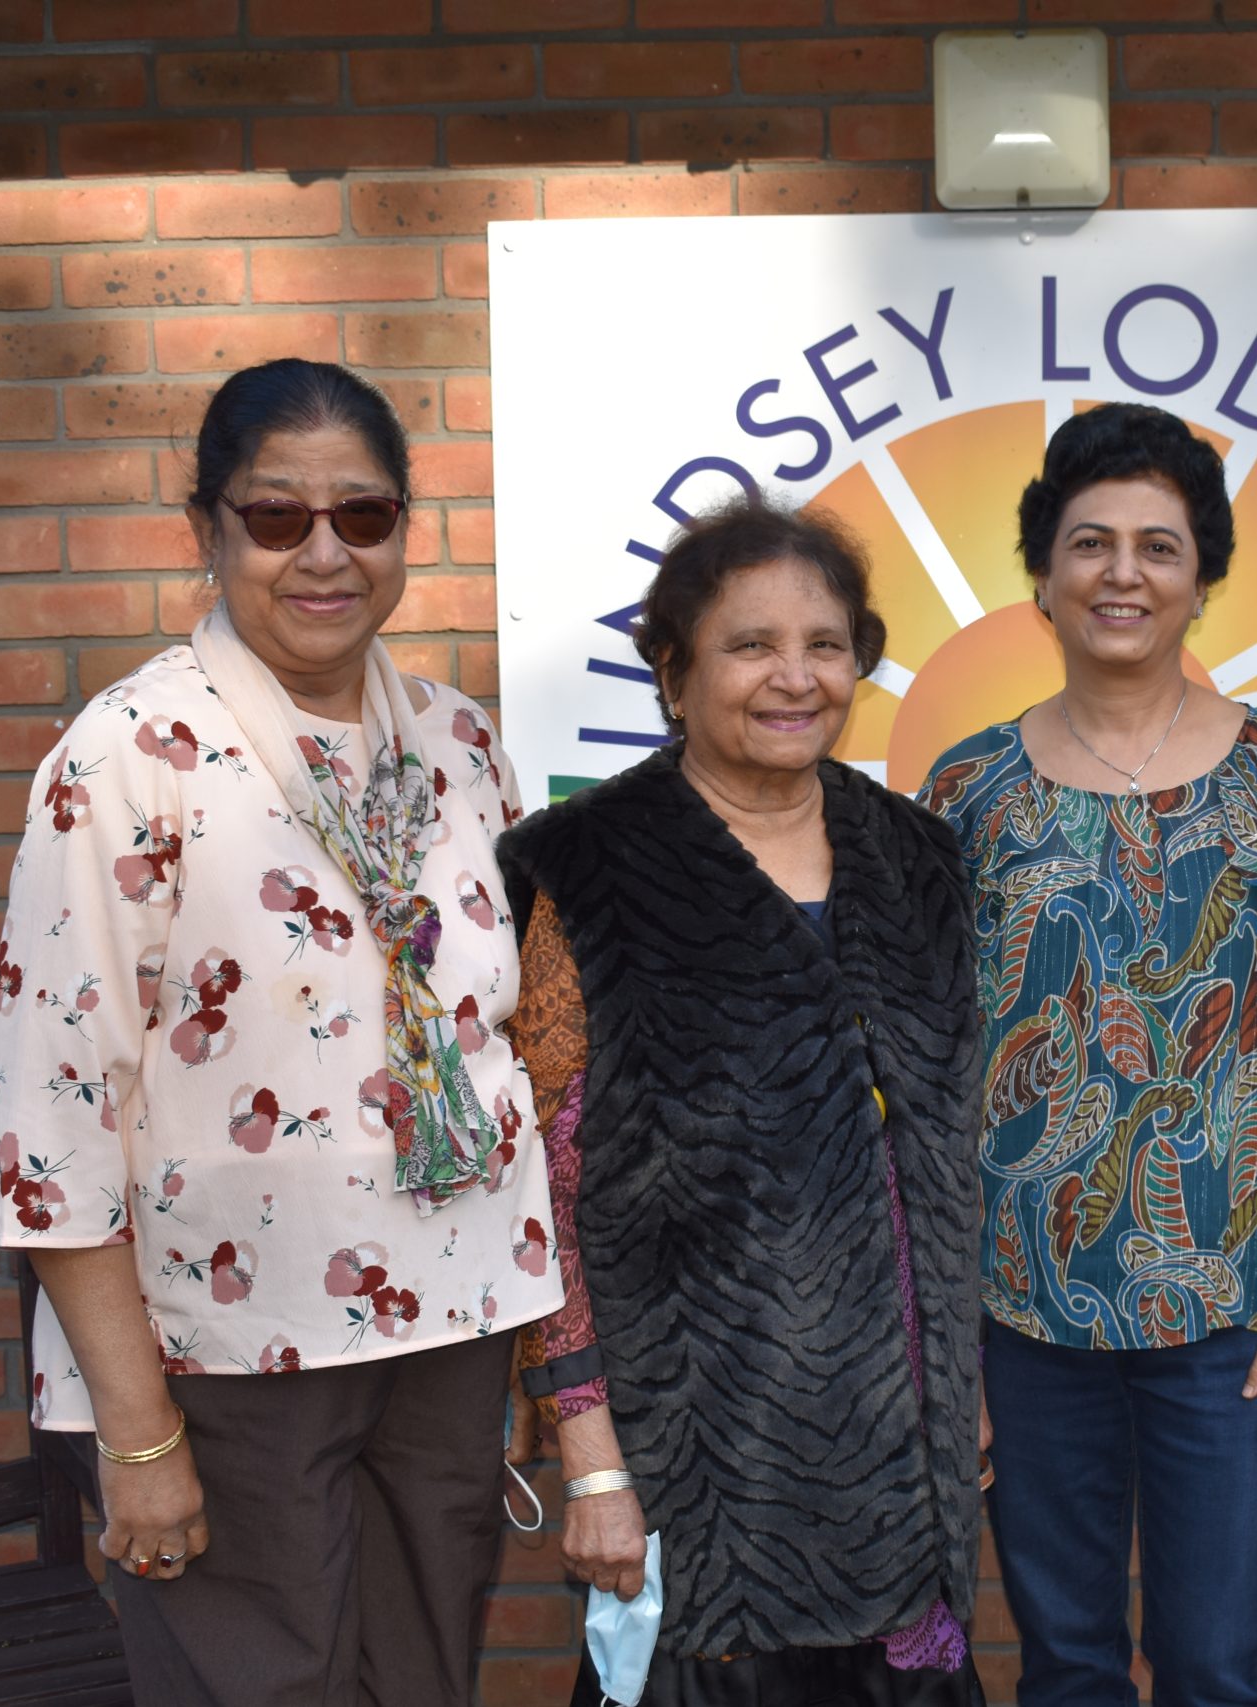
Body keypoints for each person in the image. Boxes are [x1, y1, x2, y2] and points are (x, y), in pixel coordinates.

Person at [0, 358, 558, 1705]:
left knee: (423, 1681)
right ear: (208, 529)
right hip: (226, 1348)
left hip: (451, 1320)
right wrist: (135, 1435)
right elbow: (50, 1110)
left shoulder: (459, 747)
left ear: (405, 528)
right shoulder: (133, 751)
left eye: (362, 516)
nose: (324, 553)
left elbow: (509, 1026)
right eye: (278, 516)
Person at [919, 404, 1257, 1707]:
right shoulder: (970, 790)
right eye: (1090, 543)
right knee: (1063, 1664)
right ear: (1043, 576)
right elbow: (929, 1059)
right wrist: (942, 1321)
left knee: (1212, 1664)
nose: (1122, 572)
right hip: (1022, 1309)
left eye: (1158, 547)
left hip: (1228, 1315)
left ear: (1202, 580)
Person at [498, 494, 986, 1702]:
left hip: (900, 1451)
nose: (796, 678)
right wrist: (591, 1454)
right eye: (750, 645)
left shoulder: (915, 856)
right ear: (673, 673)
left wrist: (960, 1389)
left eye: (825, 646)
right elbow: (542, 1189)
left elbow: (941, 1150)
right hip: (696, 1443)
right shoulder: (584, 866)